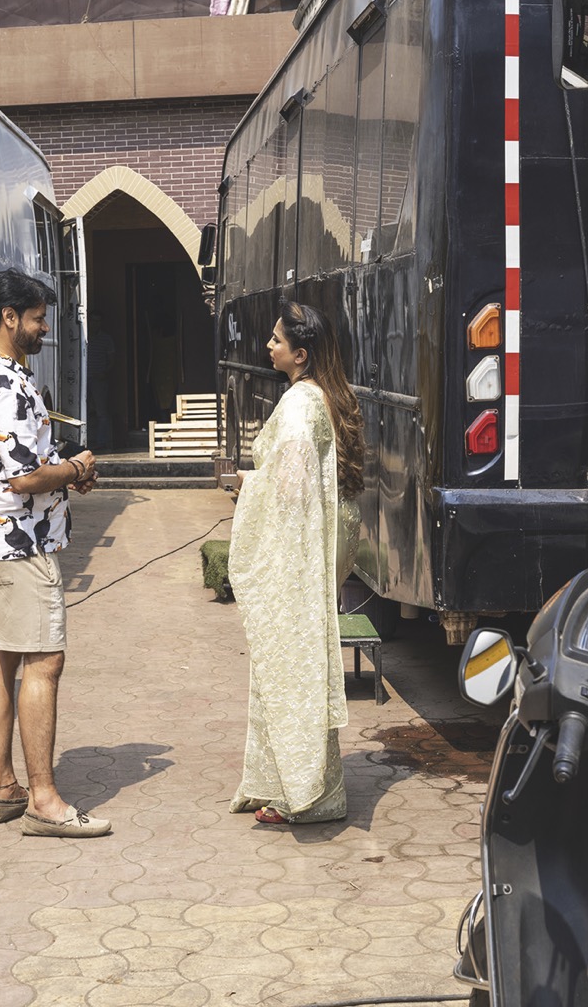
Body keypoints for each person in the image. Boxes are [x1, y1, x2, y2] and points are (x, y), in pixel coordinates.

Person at [0, 268, 111, 838]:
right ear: (10, 318)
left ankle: (4, 787)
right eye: (39, 318)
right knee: (45, 660)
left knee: (0, 653)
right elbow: (24, 479)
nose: (45, 327)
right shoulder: (9, 384)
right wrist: (75, 469)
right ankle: (44, 799)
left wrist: (67, 470)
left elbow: (15, 464)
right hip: (20, 542)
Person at [228, 300, 364, 825]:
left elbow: (293, 490)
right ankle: (287, 784)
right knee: (291, 665)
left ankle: (308, 794)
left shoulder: (300, 406)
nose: (268, 346)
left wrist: (247, 482)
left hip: (297, 554)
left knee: (293, 667)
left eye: (277, 341)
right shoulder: (319, 396)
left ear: (300, 355)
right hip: (315, 548)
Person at [86, 310, 116, 449]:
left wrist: (105, 373)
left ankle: (101, 442)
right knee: (83, 411)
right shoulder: (84, 338)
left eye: (98, 321)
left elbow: (112, 359)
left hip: (99, 379)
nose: (95, 324)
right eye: (93, 320)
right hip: (84, 379)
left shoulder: (106, 339)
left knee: (101, 412)